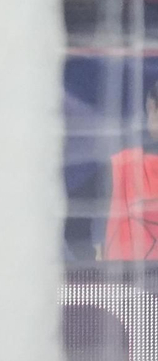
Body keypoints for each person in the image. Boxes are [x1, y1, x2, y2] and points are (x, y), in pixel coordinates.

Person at [67, 80, 158, 262]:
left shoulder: (121, 167)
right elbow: (73, 224)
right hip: (124, 278)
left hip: (124, 278)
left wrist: (92, 266)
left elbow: (73, 224)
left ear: (151, 107)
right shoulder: (120, 168)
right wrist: (92, 267)